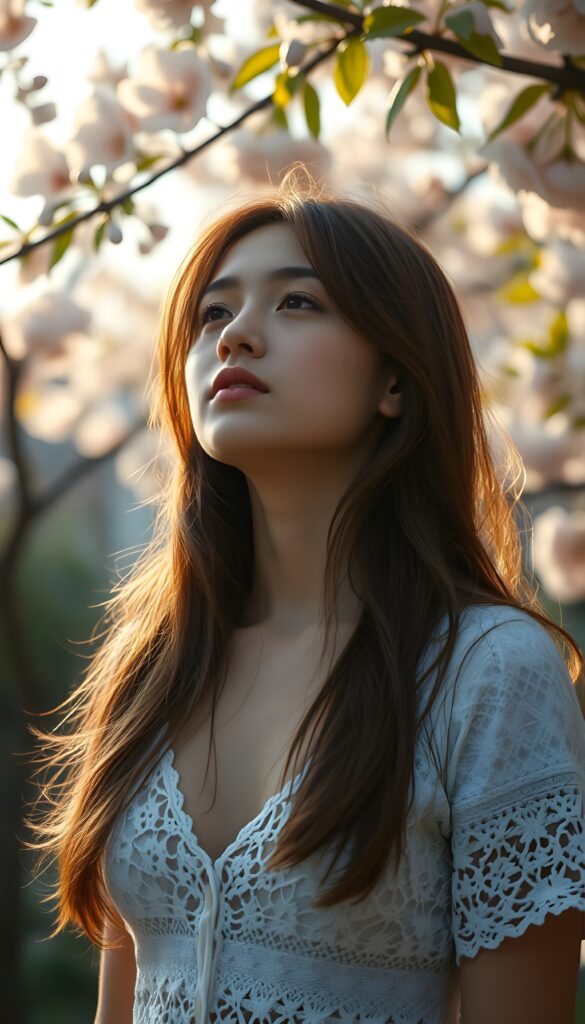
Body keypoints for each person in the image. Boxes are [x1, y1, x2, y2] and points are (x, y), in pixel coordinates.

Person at [28, 171, 585, 1024]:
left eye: (296, 303)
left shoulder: (486, 672)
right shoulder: (155, 665)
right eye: (213, 312)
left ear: (394, 380)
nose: (235, 336)